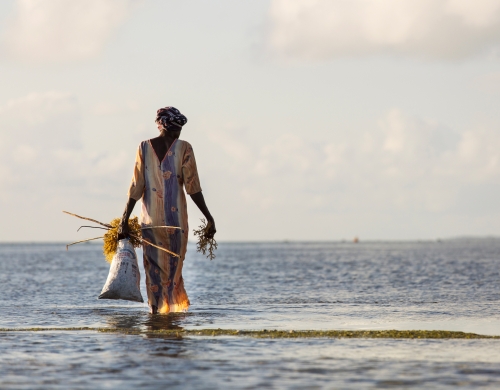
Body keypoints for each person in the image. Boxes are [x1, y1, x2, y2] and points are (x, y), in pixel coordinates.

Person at [118, 106, 216, 314]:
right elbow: (193, 187)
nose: (178, 134)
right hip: (175, 222)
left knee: (154, 273)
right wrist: (209, 218)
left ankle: (157, 315)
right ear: (169, 127)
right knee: (173, 273)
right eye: (177, 130)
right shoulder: (184, 148)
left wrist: (124, 220)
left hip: (151, 223)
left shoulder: (144, 147)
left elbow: (136, 187)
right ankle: (170, 317)